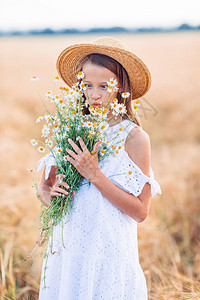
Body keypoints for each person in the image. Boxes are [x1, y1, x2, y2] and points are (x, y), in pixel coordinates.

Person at [38, 37, 162, 299]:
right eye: (88, 85)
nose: (94, 94)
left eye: (104, 86)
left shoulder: (134, 138)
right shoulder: (71, 128)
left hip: (109, 256)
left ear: (121, 87)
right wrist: (54, 194)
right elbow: (45, 187)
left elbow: (141, 212)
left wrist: (94, 175)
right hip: (68, 251)